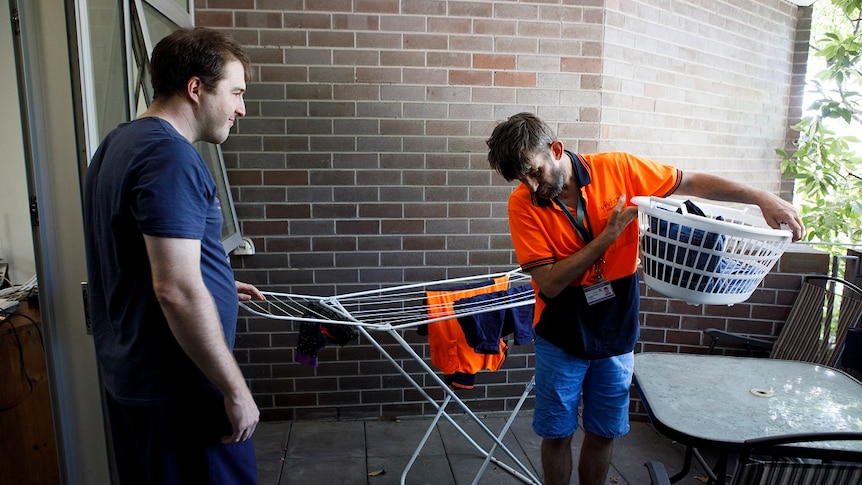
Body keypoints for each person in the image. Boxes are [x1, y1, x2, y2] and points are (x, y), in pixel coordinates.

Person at [486, 112, 804, 485]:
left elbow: (693, 183)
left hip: (616, 322)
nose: (531, 185)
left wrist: (763, 198)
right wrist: (607, 237)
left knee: (603, 430)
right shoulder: (522, 203)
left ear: (556, 150)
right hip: (561, 329)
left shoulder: (618, 168)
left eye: (535, 171)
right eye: (521, 178)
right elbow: (551, 284)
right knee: (556, 433)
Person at [83, 27, 265, 484]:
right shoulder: (170, 157)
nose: (241, 108)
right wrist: (235, 389)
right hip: (182, 395)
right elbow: (177, 291)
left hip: (138, 384)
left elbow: (141, 261)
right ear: (196, 88)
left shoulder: (118, 144)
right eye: (236, 92)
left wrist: (217, 282)